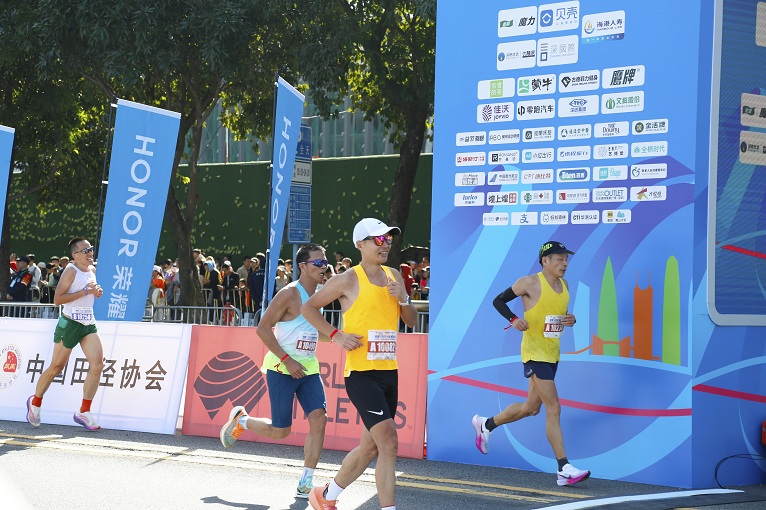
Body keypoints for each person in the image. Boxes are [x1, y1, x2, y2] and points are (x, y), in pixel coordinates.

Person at [301, 218, 417, 510]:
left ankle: (326, 496)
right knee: (389, 442)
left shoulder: (393, 275)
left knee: (369, 448)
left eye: (388, 239)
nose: (385, 244)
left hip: (389, 372)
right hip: (361, 375)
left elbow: (411, 321)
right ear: (360, 245)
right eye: (378, 240)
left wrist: (404, 299)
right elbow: (308, 307)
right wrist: (336, 335)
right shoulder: (348, 279)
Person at [471, 241, 590, 487]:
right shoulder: (529, 282)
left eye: (566, 259)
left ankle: (486, 424)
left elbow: (558, 316)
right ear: (545, 260)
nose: (565, 263)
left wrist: (571, 319)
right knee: (554, 408)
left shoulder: (565, 286)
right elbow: (498, 300)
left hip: (552, 353)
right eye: (559, 258)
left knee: (531, 408)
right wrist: (514, 319)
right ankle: (563, 468)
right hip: (535, 353)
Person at [219, 244, 332, 498]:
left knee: (319, 419)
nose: (323, 267)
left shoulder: (320, 295)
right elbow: (262, 328)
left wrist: (339, 337)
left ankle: (306, 481)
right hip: (282, 368)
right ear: (302, 266)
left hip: (309, 368)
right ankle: (241, 420)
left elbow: (315, 333)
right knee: (281, 431)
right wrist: (288, 360)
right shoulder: (289, 294)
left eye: (325, 263)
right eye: (318, 263)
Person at [26, 237, 105, 431]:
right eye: (85, 251)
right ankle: (35, 403)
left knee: (97, 366)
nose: (90, 253)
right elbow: (58, 299)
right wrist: (85, 291)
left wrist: (96, 292)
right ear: (75, 255)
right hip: (69, 323)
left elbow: (89, 292)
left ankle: (84, 411)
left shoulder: (92, 270)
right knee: (56, 367)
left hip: (88, 323)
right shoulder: (71, 271)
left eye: (91, 249)